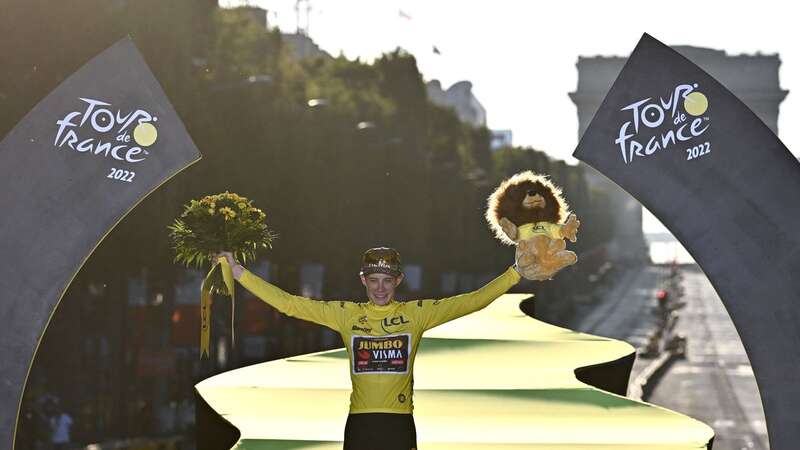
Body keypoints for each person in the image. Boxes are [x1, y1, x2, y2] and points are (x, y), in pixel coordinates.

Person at [217, 247, 522, 450]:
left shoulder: (416, 314)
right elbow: (290, 305)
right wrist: (239, 271)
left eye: (387, 281)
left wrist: (516, 271)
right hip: (360, 422)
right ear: (362, 280)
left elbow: (472, 301)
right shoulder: (347, 314)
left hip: (399, 422)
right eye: (373, 280)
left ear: (398, 280)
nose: (379, 288)